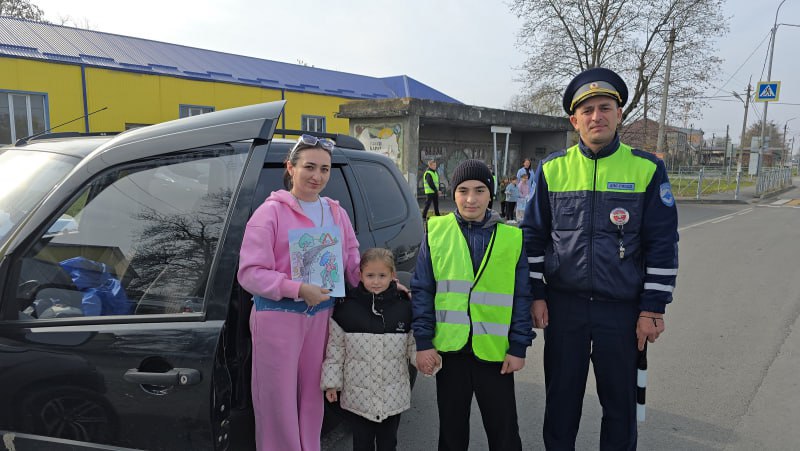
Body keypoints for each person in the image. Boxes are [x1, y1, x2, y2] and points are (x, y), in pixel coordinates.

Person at [521, 67, 679, 450]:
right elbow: (533, 238)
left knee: (621, 408)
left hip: (622, 312)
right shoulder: (552, 169)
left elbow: (662, 243)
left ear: (619, 114)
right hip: (564, 309)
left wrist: (652, 308)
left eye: (605, 107)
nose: (597, 116)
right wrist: (537, 295)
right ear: (574, 120)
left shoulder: (646, 168)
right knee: (561, 405)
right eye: (587, 110)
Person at [238, 134, 362, 451]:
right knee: (276, 400)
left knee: (312, 395)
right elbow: (250, 273)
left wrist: (383, 283)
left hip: (321, 317)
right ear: (290, 168)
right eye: (309, 167)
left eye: (324, 169)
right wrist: (296, 288)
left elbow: (352, 261)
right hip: (277, 317)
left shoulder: (336, 213)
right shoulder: (269, 213)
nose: (317, 176)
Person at [411, 159, 535, 451]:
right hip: (450, 352)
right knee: (452, 434)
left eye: (479, 190)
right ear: (453, 194)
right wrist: (423, 342)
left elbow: (522, 296)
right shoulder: (436, 232)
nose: (471, 199)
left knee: (504, 433)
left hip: (494, 353)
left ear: (491, 194)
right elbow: (422, 290)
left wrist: (519, 346)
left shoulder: (511, 238)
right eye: (463, 190)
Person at [321, 248, 416, 451]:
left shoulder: (404, 308)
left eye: (382, 275)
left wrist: (427, 361)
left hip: (392, 396)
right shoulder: (347, 309)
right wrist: (331, 384)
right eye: (370, 275)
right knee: (361, 444)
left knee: (388, 443)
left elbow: (413, 346)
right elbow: (335, 350)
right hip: (358, 398)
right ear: (360, 275)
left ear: (393, 275)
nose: (376, 281)